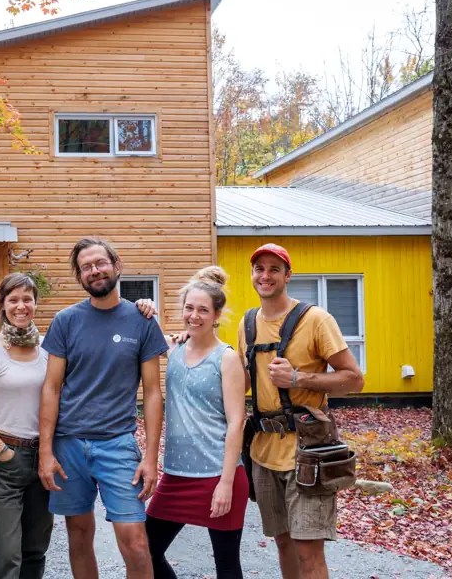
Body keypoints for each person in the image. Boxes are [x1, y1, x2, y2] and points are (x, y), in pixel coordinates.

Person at [38, 237, 169, 579]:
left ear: (116, 265)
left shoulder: (141, 321)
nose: (94, 270)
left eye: (100, 263)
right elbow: (51, 388)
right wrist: (45, 451)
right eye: (86, 267)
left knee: (136, 544)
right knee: (79, 535)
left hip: (118, 444)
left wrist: (151, 458)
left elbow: (153, 393)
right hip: (69, 446)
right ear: (80, 277)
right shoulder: (66, 321)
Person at [238, 244, 364, 579]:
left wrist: (297, 377)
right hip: (263, 453)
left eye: (274, 269)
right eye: (259, 269)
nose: (265, 276)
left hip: (308, 452)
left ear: (287, 275)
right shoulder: (247, 323)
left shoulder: (316, 319)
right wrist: (191, 344)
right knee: (283, 543)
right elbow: (242, 382)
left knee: (308, 551)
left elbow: (354, 379)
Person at [144, 266, 248, 578]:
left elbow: (236, 422)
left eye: (203, 310)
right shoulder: (173, 348)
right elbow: (139, 330)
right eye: (189, 308)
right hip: (176, 476)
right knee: (145, 551)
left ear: (217, 314)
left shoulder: (226, 358)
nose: (194, 316)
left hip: (218, 474)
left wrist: (226, 484)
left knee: (227, 566)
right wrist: (143, 307)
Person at [0, 273, 53, 579]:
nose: (21, 306)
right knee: (8, 554)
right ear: (3, 305)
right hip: (5, 459)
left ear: (35, 304)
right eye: (13, 300)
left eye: (27, 299)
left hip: (44, 457)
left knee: (35, 550)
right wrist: (1, 450)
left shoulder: (50, 347)